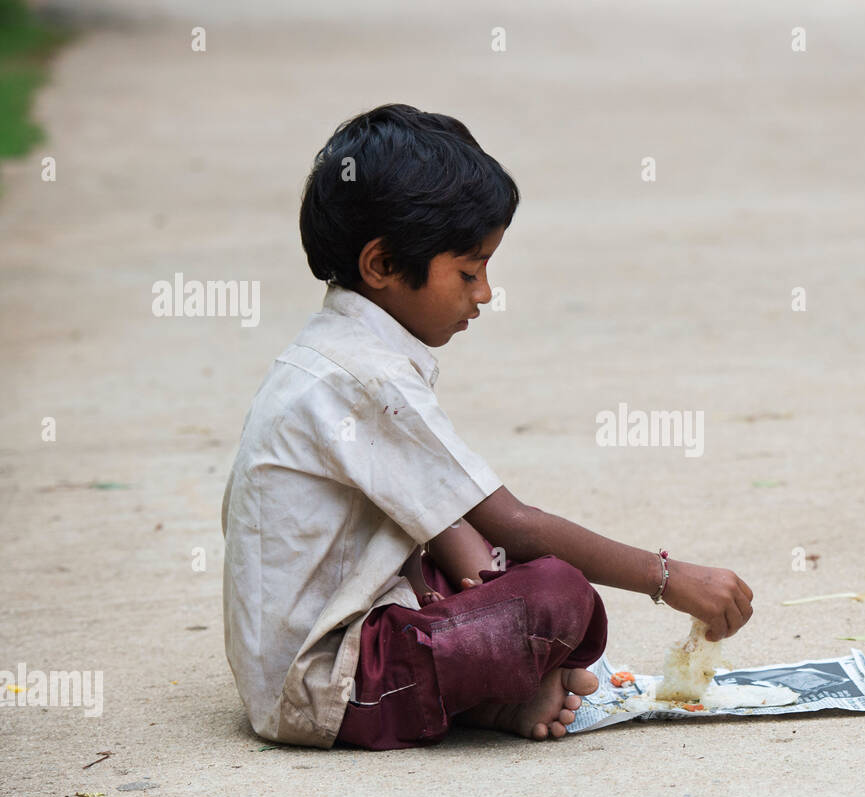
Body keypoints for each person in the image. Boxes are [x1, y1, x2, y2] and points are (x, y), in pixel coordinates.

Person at [221, 104, 754, 750]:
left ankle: (495, 699)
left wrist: (479, 564)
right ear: (382, 265)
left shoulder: (336, 351)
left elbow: (434, 507)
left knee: (499, 575)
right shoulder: (368, 379)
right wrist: (668, 578)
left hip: (340, 638)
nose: (486, 292)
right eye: (469, 271)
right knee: (560, 596)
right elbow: (513, 521)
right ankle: (489, 694)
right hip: (329, 684)